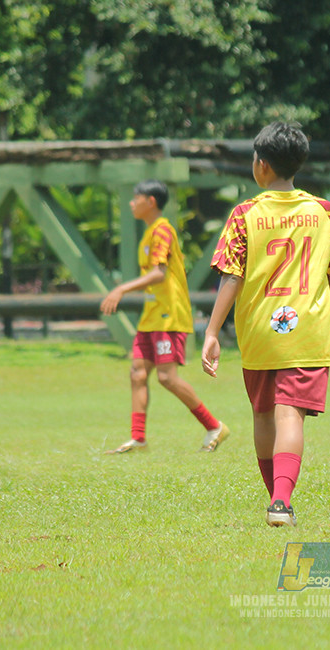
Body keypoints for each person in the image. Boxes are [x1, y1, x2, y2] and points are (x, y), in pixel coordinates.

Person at [201, 122, 330, 527]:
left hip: (260, 331)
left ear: (262, 166)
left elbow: (231, 276)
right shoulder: (323, 212)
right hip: (306, 330)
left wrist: (212, 332)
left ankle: (275, 499)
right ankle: (281, 502)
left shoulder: (245, 214)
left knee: (263, 415)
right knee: (291, 417)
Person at [100, 179, 230, 454]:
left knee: (167, 378)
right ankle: (139, 439)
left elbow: (159, 273)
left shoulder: (162, 231)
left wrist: (122, 288)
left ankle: (214, 426)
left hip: (169, 316)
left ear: (151, 201)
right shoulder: (148, 233)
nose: (131, 203)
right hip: (152, 316)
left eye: (136, 198)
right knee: (137, 374)